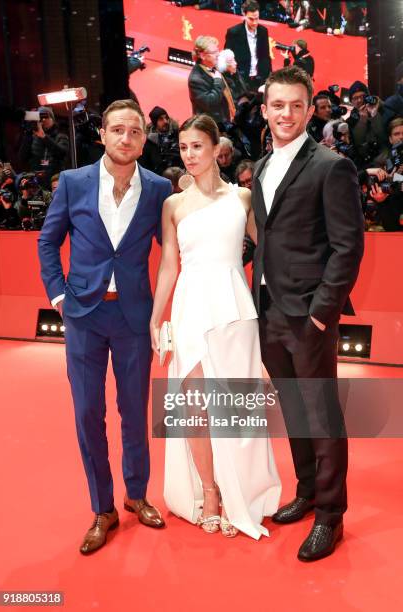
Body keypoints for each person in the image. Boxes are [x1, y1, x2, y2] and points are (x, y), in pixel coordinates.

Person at [38, 99, 172, 555]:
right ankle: (103, 508)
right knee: (86, 414)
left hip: (134, 317)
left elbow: (174, 249)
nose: (126, 138)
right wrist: (58, 295)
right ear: (103, 135)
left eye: (135, 131)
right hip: (84, 317)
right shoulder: (74, 183)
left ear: (143, 137)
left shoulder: (157, 189)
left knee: (135, 413)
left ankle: (136, 496)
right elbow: (48, 240)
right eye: (117, 130)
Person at [150, 114, 281, 540]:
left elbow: (269, 251)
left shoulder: (242, 198)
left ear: (215, 149)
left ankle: (237, 488)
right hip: (190, 307)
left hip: (233, 308)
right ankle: (209, 490)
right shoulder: (173, 204)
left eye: (197, 147)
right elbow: (170, 265)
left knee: (235, 406)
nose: (189, 155)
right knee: (194, 406)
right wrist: (158, 314)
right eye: (183, 147)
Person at [252, 66, 364, 561]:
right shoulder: (258, 167)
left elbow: (348, 247)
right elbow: (267, 238)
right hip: (269, 309)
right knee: (294, 410)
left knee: (321, 414)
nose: (287, 114)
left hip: (309, 316)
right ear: (265, 109)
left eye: (297, 105)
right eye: (278, 105)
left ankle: (330, 516)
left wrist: (322, 313)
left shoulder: (330, 165)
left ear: (310, 107)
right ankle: (306, 491)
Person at [224, 0, 271, 91]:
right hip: (240, 80)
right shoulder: (234, 33)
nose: (254, 22)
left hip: (259, 79)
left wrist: (267, 79)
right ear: (244, 15)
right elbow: (227, 57)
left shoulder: (263, 31)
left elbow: (266, 56)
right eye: (251, 19)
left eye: (257, 18)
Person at [19, 106, 69, 187]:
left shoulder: (61, 136)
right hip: (36, 182)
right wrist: (28, 133)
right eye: (40, 117)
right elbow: (22, 158)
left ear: (53, 119)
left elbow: (62, 154)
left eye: (46, 116)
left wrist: (44, 137)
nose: (43, 120)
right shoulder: (32, 137)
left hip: (55, 181)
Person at [188, 36, 234, 124]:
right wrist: (217, 81)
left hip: (223, 120)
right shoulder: (195, 79)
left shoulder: (214, 67)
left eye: (217, 50)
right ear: (202, 55)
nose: (218, 54)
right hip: (210, 125)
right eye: (214, 52)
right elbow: (210, 103)